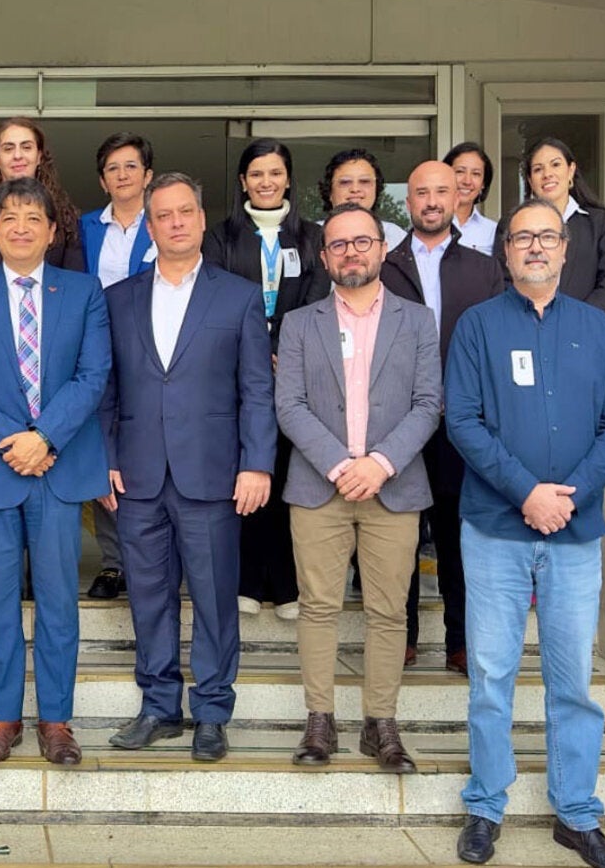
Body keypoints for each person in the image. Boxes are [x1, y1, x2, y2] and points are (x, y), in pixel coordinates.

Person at [449, 198, 605, 868]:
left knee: (572, 680)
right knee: (491, 674)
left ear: (565, 249)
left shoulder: (595, 329)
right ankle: (484, 805)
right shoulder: (477, 327)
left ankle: (577, 814)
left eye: (547, 237)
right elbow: (463, 421)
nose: (535, 247)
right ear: (504, 251)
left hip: (575, 533)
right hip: (495, 529)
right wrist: (527, 493)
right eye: (522, 237)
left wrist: (569, 496)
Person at [99, 173, 276, 761]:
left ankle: (213, 712)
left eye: (185, 212)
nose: (175, 222)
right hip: (138, 475)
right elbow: (106, 389)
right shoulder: (118, 298)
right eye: (163, 215)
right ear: (149, 228)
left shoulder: (239, 296)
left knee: (215, 598)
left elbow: (257, 389)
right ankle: (158, 707)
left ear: (202, 220)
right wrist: (105, 459)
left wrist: (257, 463)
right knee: (148, 597)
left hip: (213, 473)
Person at [0, 177, 110, 766]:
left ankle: (56, 720)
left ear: (52, 231)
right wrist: (13, 442)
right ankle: (2, 718)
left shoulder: (84, 292)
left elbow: (93, 374)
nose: (20, 227)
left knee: (59, 600)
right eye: (9, 217)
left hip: (57, 469)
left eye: (33, 218)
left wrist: (45, 437)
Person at [275, 203, 441, 774]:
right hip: (319, 486)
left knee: (389, 611)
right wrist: (339, 464)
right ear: (324, 258)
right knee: (318, 607)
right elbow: (289, 405)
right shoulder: (300, 324)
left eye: (362, 241)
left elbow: (428, 404)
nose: (351, 252)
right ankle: (319, 719)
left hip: (394, 488)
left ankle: (381, 723)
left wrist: (380, 464)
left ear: (382, 250)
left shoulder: (418, 321)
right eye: (339, 244)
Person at [381, 161, 506, 673]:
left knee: (457, 537)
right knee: (399, 537)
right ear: (407, 201)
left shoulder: (484, 269)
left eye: (442, 191)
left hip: (460, 424)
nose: (432, 201)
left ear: (459, 198)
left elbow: (496, 348)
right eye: (421, 192)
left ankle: (460, 642)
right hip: (396, 425)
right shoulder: (384, 266)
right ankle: (402, 637)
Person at [204, 138, 330, 620]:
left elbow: (319, 296)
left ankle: (287, 583)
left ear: (288, 179)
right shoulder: (220, 238)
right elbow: (217, 297)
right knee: (249, 470)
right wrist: (258, 349)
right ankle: (248, 580)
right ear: (243, 182)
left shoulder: (313, 236)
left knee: (287, 474)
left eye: (275, 173)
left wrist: (284, 349)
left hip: (298, 373)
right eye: (256, 174)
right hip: (239, 371)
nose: (266, 182)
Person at [79, 132, 156, 601]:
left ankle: (149, 558)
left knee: (147, 451)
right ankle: (114, 563)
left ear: (148, 175)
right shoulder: (84, 227)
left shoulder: (164, 220)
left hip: (155, 353)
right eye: (113, 168)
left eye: (131, 166)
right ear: (102, 180)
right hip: (98, 352)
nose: (122, 175)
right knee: (102, 452)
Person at [495, 137, 605, 315]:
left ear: (571, 170)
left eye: (555, 165)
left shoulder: (598, 222)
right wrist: (533, 318)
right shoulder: (511, 224)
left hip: (582, 326)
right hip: (523, 323)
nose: (547, 174)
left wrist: (578, 321)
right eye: (538, 169)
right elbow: (502, 279)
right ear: (530, 181)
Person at [0, 118, 84, 278]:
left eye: (26, 147)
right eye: (8, 149)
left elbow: (74, 280)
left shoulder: (64, 212)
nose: (17, 155)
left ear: (39, 156)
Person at [316, 148, 408, 249]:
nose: (355, 189)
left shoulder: (395, 236)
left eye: (364, 182)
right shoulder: (311, 236)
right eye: (345, 182)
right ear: (329, 191)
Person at [444, 142, 497, 256]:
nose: (467, 181)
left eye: (476, 174)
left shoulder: (493, 231)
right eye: (460, 171)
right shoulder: (432, 223)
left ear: (483, 183)